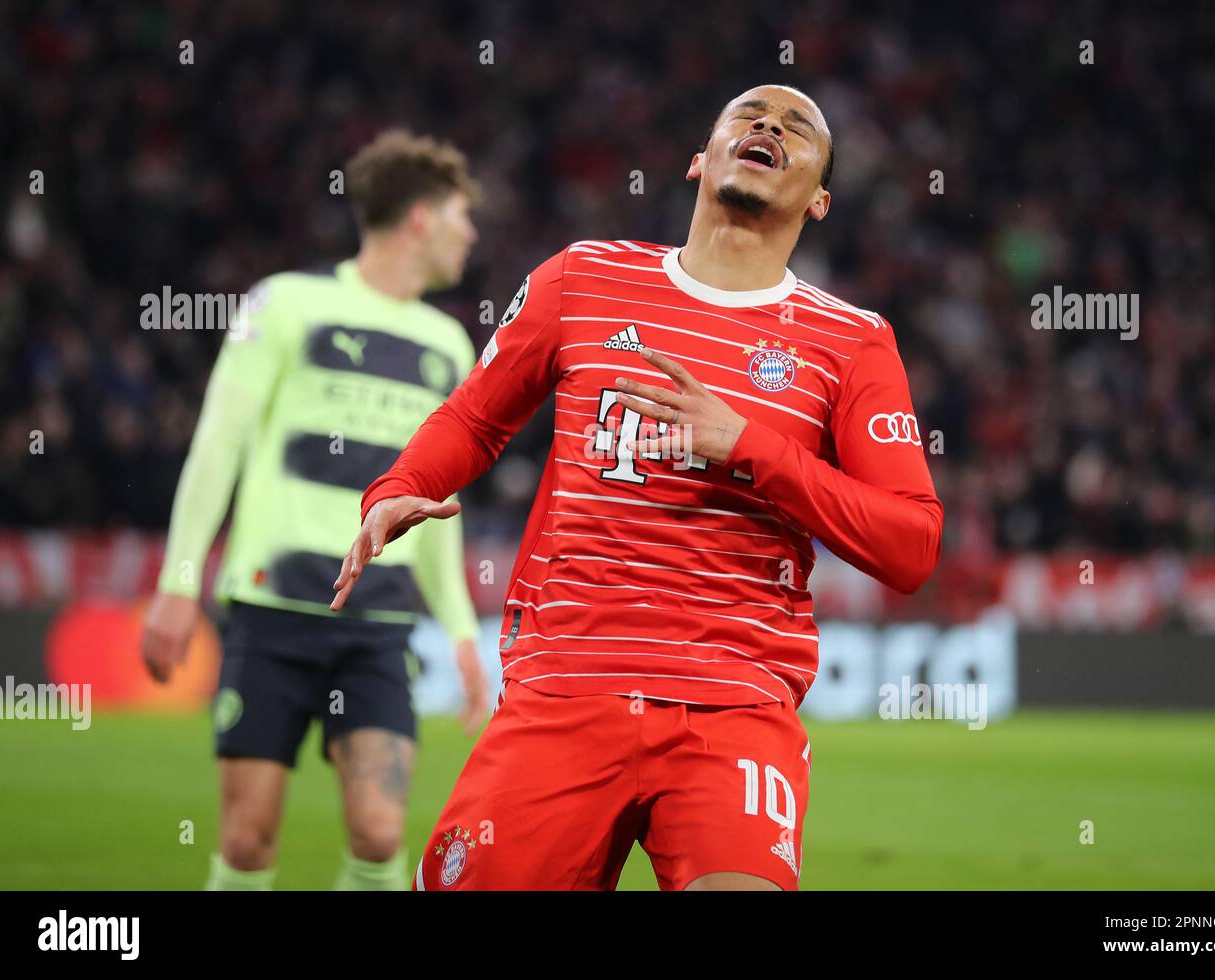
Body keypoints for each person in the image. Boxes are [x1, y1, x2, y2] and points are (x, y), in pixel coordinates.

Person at [332, 86, 943, 890]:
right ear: (700, 159)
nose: (769, 127)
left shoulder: (852, 341)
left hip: (735, 706)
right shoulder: (582, 277)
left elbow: (911, 544)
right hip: (565, 686)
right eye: (749, 115)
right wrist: (398, 488)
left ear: (819, 199)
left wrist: (748, 446)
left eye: (798, 129)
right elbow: (475, 419)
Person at [142, 130, 489, 891]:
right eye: (462, 216)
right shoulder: (287, 303)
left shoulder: (450, 344)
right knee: (246, 841)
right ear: (422, 219)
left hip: (379, 625)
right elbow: (216, 450)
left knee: (378, 833)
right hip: (273, 610)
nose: (472, 234)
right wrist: (177, 583)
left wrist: (463, 633)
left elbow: (431, 507)